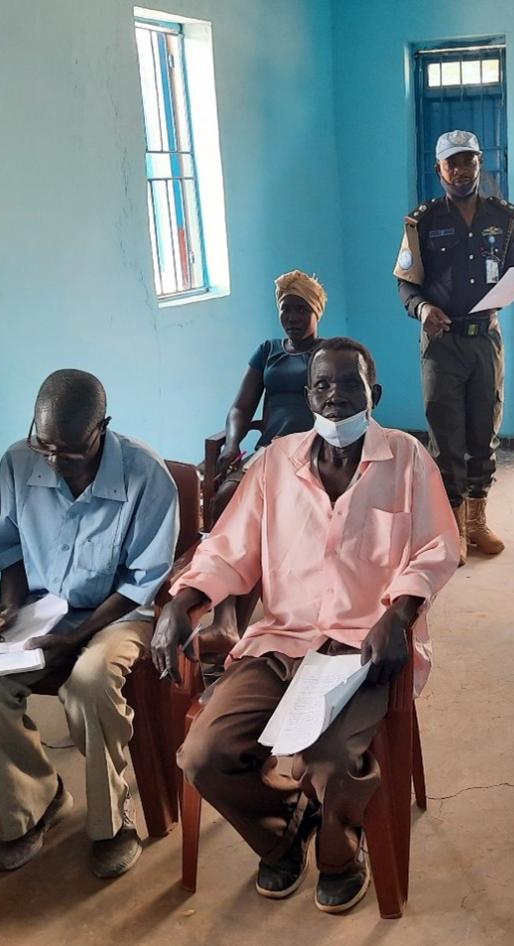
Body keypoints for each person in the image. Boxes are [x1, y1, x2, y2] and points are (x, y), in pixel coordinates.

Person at [154, 338, 459, 914]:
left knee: (329, 759)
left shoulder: (407, 458)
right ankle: (282, 833)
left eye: (349, 384)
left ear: (374, 393)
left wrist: (398, 613)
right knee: (205, 753)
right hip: (283, 637)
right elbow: (229, 548)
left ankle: (340, 857)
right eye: (322, 385)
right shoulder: (275, 463)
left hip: (362, 651)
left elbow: (438, 547)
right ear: (307, 394)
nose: (335, 396)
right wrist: (182, 602)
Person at [0, 369, 177, 879]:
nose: (53, 460)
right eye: (45, 445)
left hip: (119, 614)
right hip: (42, 609)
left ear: (102, 428)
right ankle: (40, 800)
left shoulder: (145, 473)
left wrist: (75, 638)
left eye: (70, 452)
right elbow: (9, 549)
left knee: (90, 683)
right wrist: (6, 608)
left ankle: (112, 823)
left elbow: (143, 580)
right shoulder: (18, 461)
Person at [394, 129, 514, 564]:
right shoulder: (422, 222)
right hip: (442, 345)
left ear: (480, 164)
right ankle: (453, 528)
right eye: (453, 163)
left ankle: (478, 521)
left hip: (486, 343)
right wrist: (423, 308)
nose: (461, 170)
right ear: (439, 169)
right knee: (446, 438)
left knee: (484, 431)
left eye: (469, 161)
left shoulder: (503, 218)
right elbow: (405, 285)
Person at [207, 270, 327, 640]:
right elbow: (240, 408)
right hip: (271, 451)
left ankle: (248, 621)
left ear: (317, 312)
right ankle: (225, 619)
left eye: (301, 309)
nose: (292, 317)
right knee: (228, 498)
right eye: (286, 309)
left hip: (315, 452)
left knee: (274, 513)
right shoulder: (268, 351)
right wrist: (232, 444)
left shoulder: (329, 353)